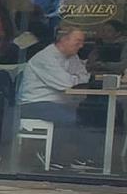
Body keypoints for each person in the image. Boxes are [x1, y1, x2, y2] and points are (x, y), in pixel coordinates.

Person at [19, 26, 99, 170]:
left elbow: (85, 76)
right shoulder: (45, 57)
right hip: (34, 103)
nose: (81, 46)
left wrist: (76, 79)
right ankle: (52, 157)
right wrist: (76, 79)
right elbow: (66, 84)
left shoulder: (73, 57)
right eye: (78, 42)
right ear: (64, 40)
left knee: (91, 116)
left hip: (59, 103)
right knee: (69, 118)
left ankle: (82, 158)